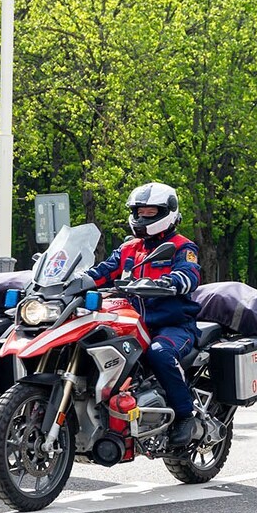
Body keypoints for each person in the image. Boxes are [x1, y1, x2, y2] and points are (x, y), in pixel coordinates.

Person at [84, 182, 202, 449]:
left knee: (160, 353)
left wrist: (170, 282)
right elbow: (102, 272)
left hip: (172, 326)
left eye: (150, 212)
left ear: (168, 212)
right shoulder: (129, 248)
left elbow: (189, 275)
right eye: (139, 212)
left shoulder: (182, 246)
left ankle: (185, 415)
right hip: (131, 324)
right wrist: (73, 280)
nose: (143, 217)